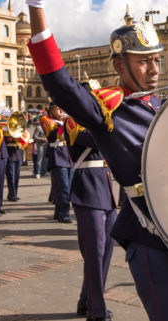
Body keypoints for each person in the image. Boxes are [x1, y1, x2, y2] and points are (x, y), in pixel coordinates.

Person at [19, 0, 168, 320]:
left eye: (156, 60)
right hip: (151, 236)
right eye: (142, 61)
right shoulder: (108, 111)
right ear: (119, 65)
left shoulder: (163, 104)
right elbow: (60, 83)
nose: (153, 69)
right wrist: (36, 5)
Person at [64, 81, 117, 321]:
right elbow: (97, 140)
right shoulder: (74, 119)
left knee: (106, 252)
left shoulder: (101, 118)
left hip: (105, 188)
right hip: (87, 188)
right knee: (94, 254)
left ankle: (87, 300)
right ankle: (97, 310)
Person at [46, 103, 73, 222]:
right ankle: (64, 214)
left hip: (67, 155)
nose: (61, 111)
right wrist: (67, 121)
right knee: (63, 187)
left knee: (66, 186)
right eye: (58, 109)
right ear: (51, 110)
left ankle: (58, 212)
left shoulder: (65, 121)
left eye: (62, 108)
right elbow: (53, 135)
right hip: (57, 155)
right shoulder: (46, 120)